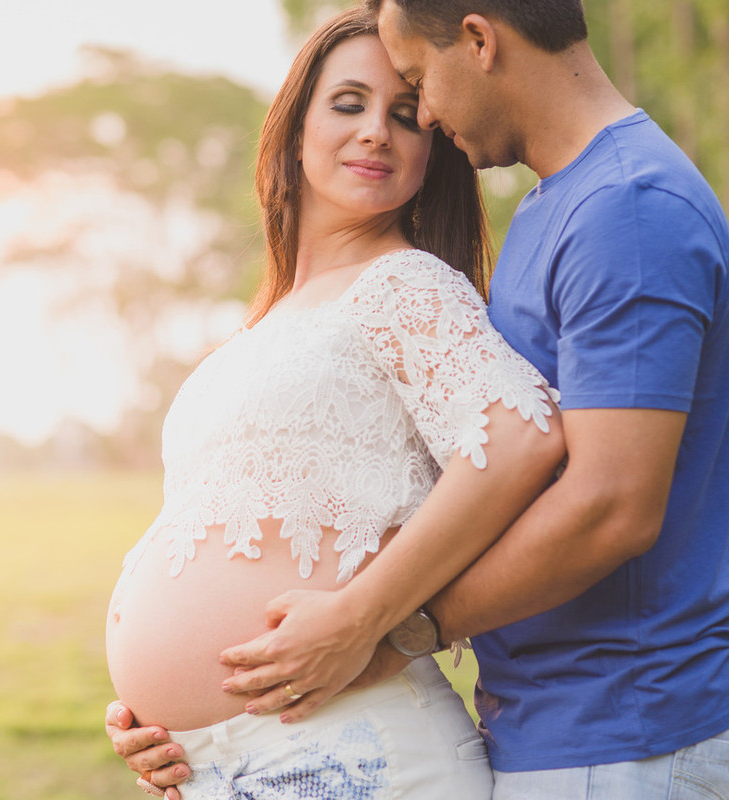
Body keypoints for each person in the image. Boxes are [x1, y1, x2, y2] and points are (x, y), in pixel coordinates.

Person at [113, 0, 729, 797]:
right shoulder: (551, 210)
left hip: (616, 728)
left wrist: (381, 626)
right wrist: (170, 713)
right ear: (293, 127)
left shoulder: (623, 207)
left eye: (410, 97)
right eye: (349, 104)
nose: (411, 121)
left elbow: (586, 487)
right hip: (510, 723)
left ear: (478, 40)